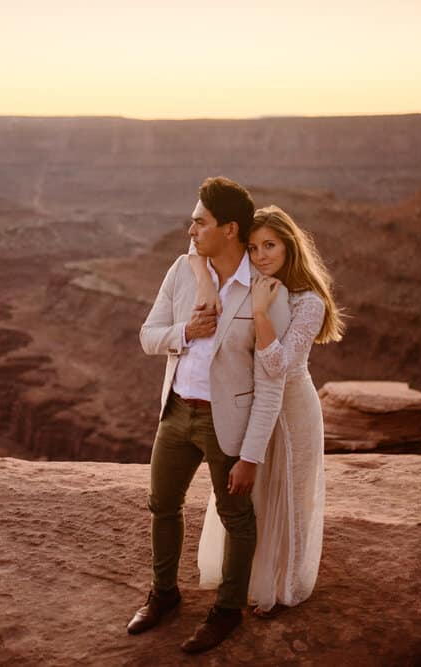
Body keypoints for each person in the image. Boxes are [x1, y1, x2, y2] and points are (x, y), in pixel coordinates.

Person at [129, 177, 291, 654]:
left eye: (200, 221)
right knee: (162, 504)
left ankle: (227, 610)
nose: (191, 228)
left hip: (230, 423)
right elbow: (147, 335)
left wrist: (252, 454)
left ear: (230, 228)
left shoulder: (266, 293)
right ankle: (164, 595)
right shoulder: (183, 270)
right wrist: (185, 330)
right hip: (177, 411)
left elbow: (271, 381)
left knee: (236, 514)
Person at [192, 204, 344, 617]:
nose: (260, 256)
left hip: (294, 412)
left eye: (270, 246)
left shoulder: (308, 302)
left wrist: (260, 312)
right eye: (254, 247)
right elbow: (199, 252)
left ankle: (286, 586)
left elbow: (278, 365)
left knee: (292, 497)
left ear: (289, 246)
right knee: (255, 496)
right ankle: (248, 579)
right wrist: (201, 270)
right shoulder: (254, 280)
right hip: (254, 408)